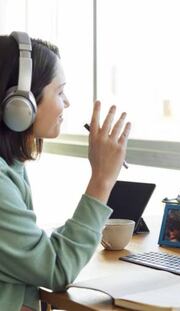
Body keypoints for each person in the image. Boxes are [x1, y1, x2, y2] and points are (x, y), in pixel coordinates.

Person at [0, 32, 130, 310]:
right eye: (59, 92)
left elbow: (30, 256)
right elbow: (56, 269)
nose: (67, 103)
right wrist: (101, 179)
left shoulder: (10, 166)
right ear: (21, 102)